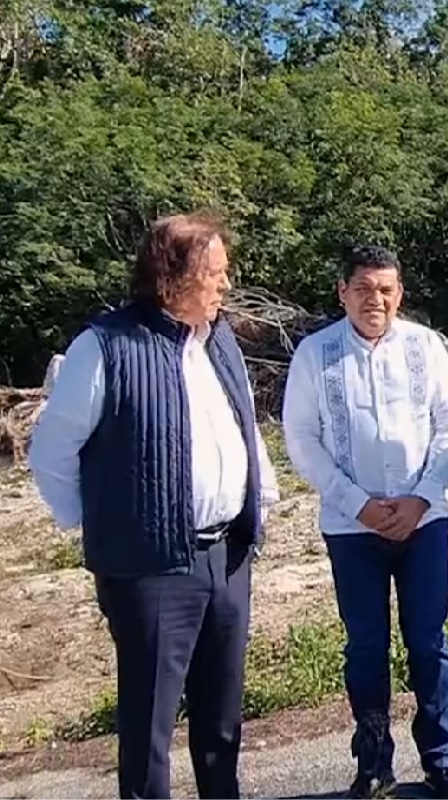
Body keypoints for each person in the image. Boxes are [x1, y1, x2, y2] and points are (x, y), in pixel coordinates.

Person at [27, 212, 281, 799]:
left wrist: (258, 498)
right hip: (150, 569)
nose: (225, 284)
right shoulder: (105, 346)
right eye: (214, 273)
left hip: (228, 556)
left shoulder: (216, 338)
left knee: (222, 722)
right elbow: (52, 450)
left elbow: (242, 424)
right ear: (171, 278)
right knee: (149, 729)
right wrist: (104, 526)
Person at [281, 245, 448, 800]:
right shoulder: (316, 355)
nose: (375, 300)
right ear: (342, 292)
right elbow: (302, 440)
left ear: (400, 294)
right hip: (351, 526)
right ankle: (373, 763)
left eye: (386, 289)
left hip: (424, 520)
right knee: (366, 646)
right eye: (363, 288)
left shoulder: (426, 346)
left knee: (429, 642)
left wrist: (422, 497)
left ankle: (440, 759)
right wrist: (356, 502)